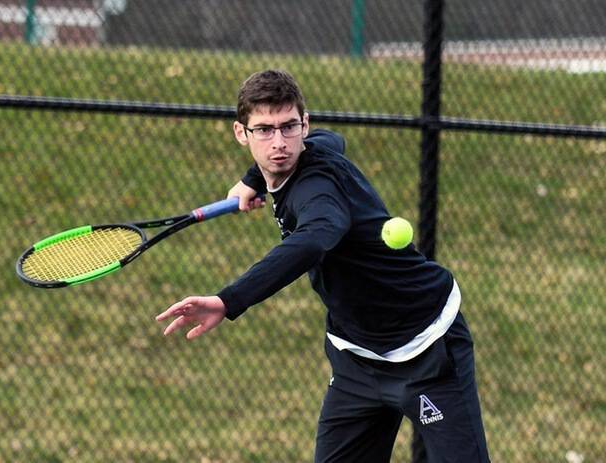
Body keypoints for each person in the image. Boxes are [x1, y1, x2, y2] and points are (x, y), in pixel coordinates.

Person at [156, 69, 490, 462]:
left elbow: (314, 238)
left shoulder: (317, 191)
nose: (279, 143)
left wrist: (229, 300)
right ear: (240, 133)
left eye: (288, 127)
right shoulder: (313, 148)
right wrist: (254, 179)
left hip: (427, 346)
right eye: (264, 130)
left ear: (304, 123)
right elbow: (333, 138)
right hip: (356, 358)